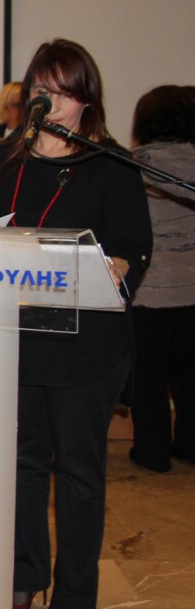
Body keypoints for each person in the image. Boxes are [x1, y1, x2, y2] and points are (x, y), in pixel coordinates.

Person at [0, 39, 152, 609]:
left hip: (85, 349)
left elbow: (133, 248)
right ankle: (23, 578)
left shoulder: (110, 165)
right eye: (43, 90)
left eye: (65, 92)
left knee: (78, 475)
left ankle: (74, 594)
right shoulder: (4, 161)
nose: (53, 102)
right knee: (21, 465)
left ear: (87, 100)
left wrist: (117, 266)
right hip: (17, 341)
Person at [128, 85, 195, 472]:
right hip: (193, 291)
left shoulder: (131, 166)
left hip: (150, 290)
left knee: (148, 376)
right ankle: (190, 445)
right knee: (191, 375)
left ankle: (151, 452)